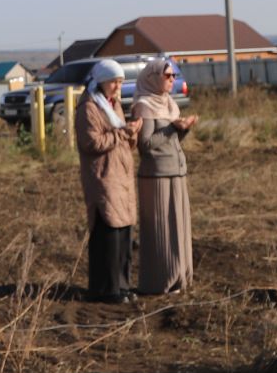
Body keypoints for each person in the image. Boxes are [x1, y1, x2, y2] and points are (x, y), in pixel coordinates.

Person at [77, 58, 143, 303]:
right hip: (103, 176)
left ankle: (122, 285)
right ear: (102, 81)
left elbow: (119, 137)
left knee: (124, 232)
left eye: (120, 82)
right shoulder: (89, 108)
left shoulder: (111, 104)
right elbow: (92, 142)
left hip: (120, 175)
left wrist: (131, 133)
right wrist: (124, 132)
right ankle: (105, 289)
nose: (118, 87)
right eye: (114, 82)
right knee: (108, 232)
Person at [130, 57, 198, 296]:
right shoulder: (144, 106)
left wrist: (183, 130)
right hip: (156, 175)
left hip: (176, 170)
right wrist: (172, 128)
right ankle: (160, 280)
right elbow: (146, 145)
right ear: (153, 78)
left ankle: (180, 276)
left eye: (174, 76)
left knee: (178, 225)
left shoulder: (170, 104)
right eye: (167, 76)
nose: (172, 80)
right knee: (161, 229)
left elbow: (172, 142)